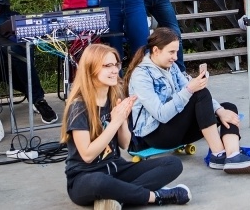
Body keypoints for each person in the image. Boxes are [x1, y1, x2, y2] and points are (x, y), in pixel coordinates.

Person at [61, 44, 190, 208]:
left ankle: (118, 197)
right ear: (90, 69)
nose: (115, 70)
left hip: (116, 168)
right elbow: (87, 155)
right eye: (108, 66)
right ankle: (156, 196)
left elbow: (124, 143)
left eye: (116, 65)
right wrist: (114, 123)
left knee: (173, 164)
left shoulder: (114, 97)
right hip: (85, 177)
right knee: (100, 182)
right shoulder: (79, 107)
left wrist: (122, 120)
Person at [125, 28, 250, 174]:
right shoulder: (141, 75)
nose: (175, 57)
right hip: (156, 135)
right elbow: (161, 114)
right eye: (171, 52)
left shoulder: (171, 67)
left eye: (176, 52)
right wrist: (188, 90)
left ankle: (233, 155)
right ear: (156, 50)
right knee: (200, 94)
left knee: (228, 108)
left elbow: (193, 92)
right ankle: (218, 154)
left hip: (177, 128)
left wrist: (220, 111)